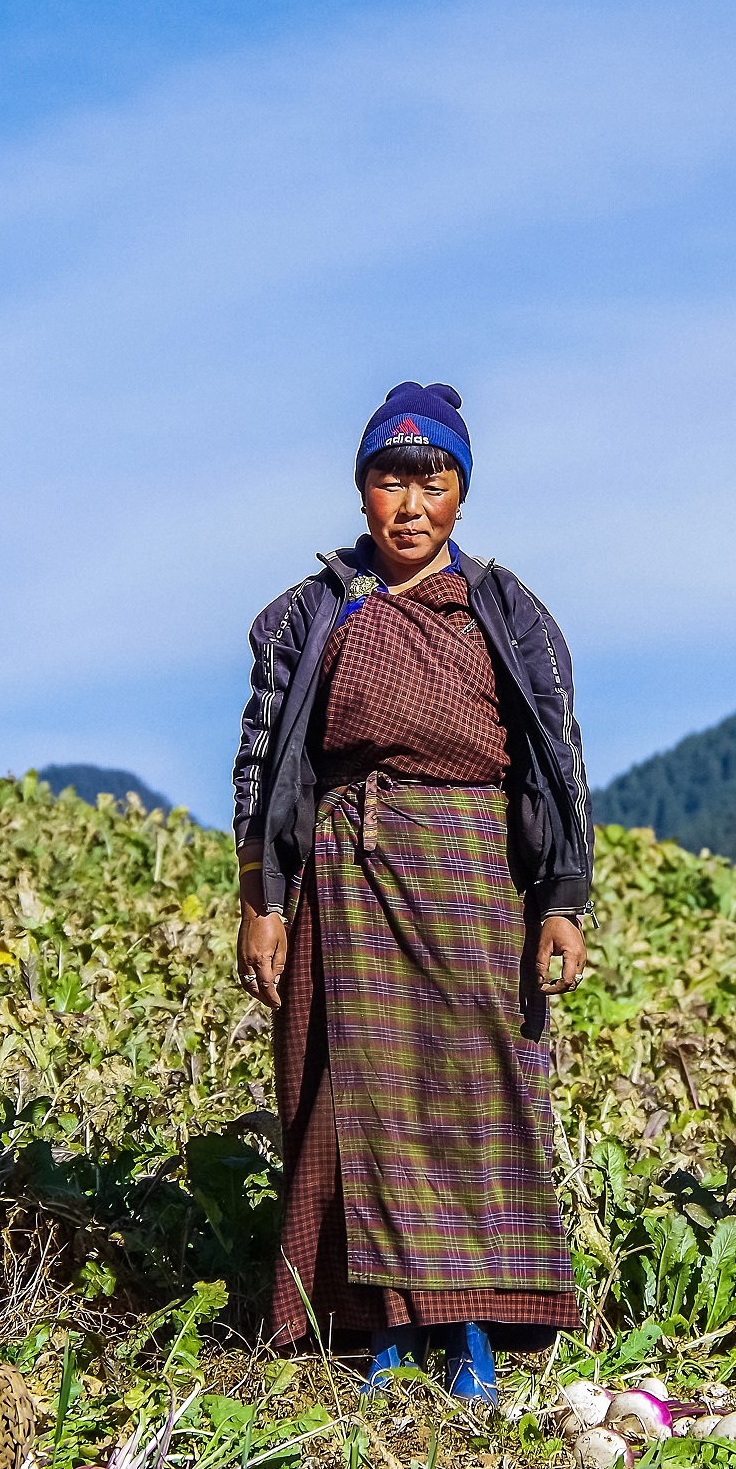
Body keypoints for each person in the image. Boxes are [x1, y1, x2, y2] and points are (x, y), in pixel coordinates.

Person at [230, 381, 592, 1401]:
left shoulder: (507, 612)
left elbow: (555, 757)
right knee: (357, 1098)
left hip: (478, 869)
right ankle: (381, 1330)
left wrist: (562, 897)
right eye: (390, 478)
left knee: (479, 1096)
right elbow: (263, 760)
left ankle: (472, 1327)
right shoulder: (309, 614)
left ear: (460, 494)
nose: (410, 501)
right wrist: (264, 896)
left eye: (432, 478)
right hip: (349, 871)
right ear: (361, 492)